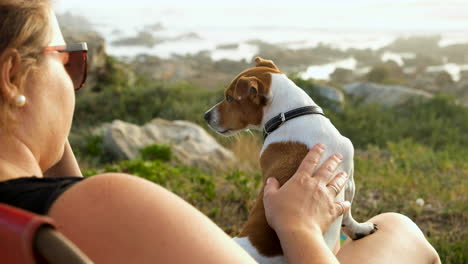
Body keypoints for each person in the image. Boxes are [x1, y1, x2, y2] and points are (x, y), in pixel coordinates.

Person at [0, 1, 441, 263]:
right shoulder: (107, 202)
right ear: (13, 77)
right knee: (398, 229)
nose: (77, 82)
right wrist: (298, 228)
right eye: (71, 62)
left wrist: (46, 147)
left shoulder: (39, 217)